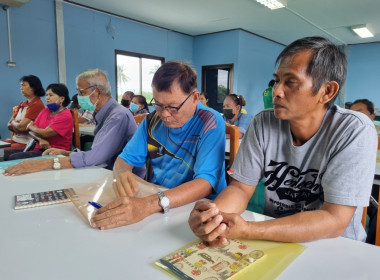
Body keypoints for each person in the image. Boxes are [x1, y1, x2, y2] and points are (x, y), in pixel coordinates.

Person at [188, 36, 378, 245]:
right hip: (276, 237)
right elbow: (241, 189)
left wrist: (249, 229)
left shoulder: (353, 129)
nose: (276, 91)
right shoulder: (263, 123)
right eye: (277, 80)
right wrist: (215, 217)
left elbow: (334, 219)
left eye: (291, 82)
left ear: (327, 91)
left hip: (335, 247)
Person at [91, 61, 227, 229]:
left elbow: (205, 183)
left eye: (172, 107)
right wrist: (122, 175)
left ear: (194, 98)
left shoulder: (209, 122)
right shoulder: (152, 121)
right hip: (158, 203)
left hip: (199, 210)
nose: (164, 114)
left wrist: (148, 205)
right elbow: (124, 160)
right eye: (158, 104)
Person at [4, 69, 144, 176]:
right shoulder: (103, 113)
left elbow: (94, 159)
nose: (79, 97)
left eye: (82, 92)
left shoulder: (117, 116)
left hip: (120, 179)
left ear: (98, 92)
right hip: (103, 172)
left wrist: (43, 163)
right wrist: (66, 153)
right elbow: (97, 154)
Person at [4, 83, 73, 161]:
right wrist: (40, 139)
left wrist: (31, 126)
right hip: (36, 147)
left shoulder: (65, 115)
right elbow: (29, 131)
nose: (47, 98)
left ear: (61, 99)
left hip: (53, 151)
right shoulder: (45, 110)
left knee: (14, 157)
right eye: (46, 95)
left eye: (51, 95)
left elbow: (45, 133)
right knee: (3, 153)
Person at [5, 75, 45, 149]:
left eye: (23, 85)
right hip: (16, 139)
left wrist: (14, 123)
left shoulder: (37, 104)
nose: (21, 88)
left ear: (33, 87)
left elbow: (21, 128)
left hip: (27, 142)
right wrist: (16, 125)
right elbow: (8, 125)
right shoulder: (22, 104)